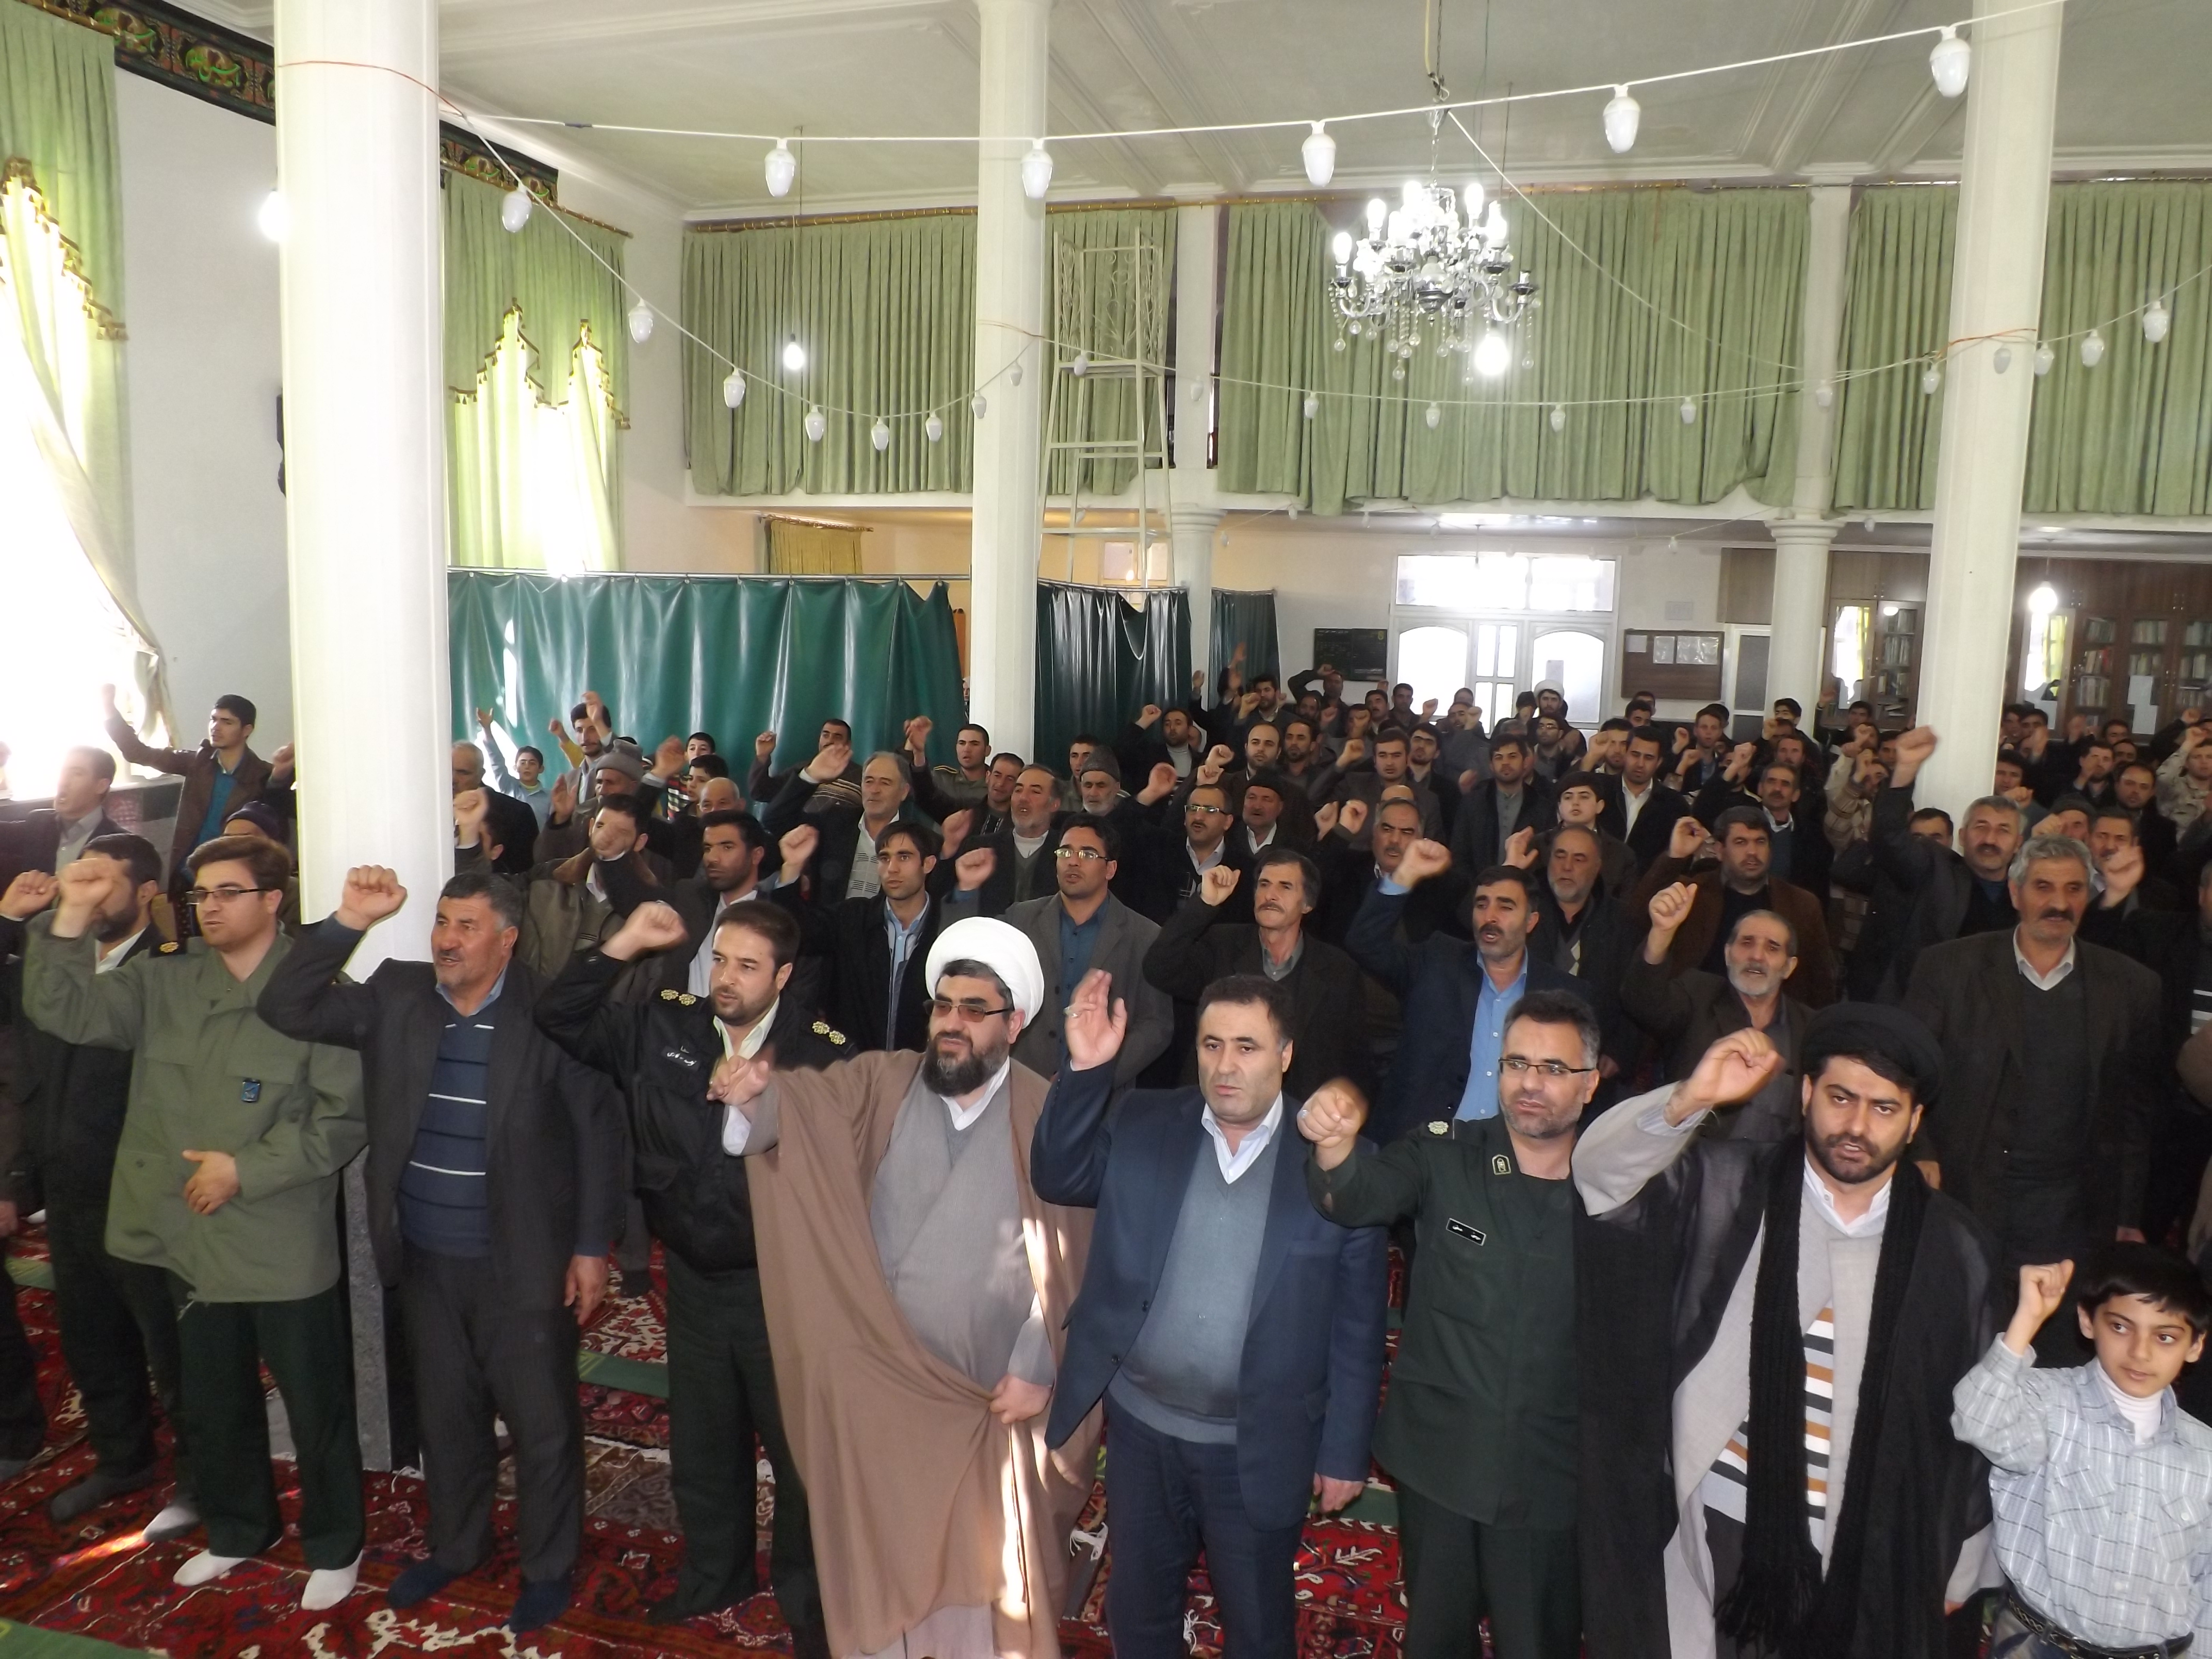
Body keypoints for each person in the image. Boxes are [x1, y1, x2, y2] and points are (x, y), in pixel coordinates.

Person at [704, 917, 1101, 1659]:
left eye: (974, 1010)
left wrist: (1039, 1363)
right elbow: (800, 1110)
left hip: (989, 1400)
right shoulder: (882, 1082)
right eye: (943, 1006)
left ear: (1014, 1024)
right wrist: (756, 1094)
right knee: (882, 1557)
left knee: (982, 1575)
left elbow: (1075, 1254)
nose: (952, 1024)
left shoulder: (1046, 1113)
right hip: (885, 1385)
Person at [255, 865, 627, 1633]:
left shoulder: (550, 1014)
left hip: (522, 1261)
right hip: (424, 1257)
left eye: (467, 926)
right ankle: (458, 1546)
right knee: (447, 1417)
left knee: (542, 1426)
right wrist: (348, 921)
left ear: (508, 940)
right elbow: (285, 1005)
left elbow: (599, 1133)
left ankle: (547, 1566)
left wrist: (592, 1246)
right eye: (441, 922)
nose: (447, 940)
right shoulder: (398, 994)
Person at [1573, 1013, 2002, 1659]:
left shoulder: (1951, 1246)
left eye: (1884, 1108)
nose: (1856, 1126)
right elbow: (1600, 1179)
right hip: (1722, 1520)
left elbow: (1969, 1420)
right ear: (1806, 1095)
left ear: (1914, 1122)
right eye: (1840, 1097)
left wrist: (1963, 1562)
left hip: (1866, 1545)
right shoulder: (1732, 1186)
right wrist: (1689, 1098)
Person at [22, 835, 367, 1607]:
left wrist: (246, 1170)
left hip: (276, 1231)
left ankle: (335, 1542)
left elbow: (342, 1118)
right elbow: (63, 1010)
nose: (209, 907)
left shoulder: (320, 993)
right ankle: (240, 1528)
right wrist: (71, 914)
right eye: (201, 894)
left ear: (273, 900)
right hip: (185, 1235)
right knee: (213, 1398)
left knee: (316, 1404)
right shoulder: (164, 981)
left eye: (228, 892)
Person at [1033, 970, 1387, 1659]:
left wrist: (1344, 1450)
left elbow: (1358, 1321)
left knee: (1257, 1623)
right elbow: (1058, 1174)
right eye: (1212, 1044)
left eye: (1247, 1047)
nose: (1226, 1066)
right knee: (1139, 1611)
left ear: (1286, 1054)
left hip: (1257, 1442)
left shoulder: (1340, 1162)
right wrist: (1087, 1069)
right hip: (1141, 1432)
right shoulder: (1144, 1122)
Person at [534, 897, 841, 1642]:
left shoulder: (821, 1054)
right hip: (691, 1277)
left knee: (801, 1453)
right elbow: (560, 1017)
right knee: (705, 1443)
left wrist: (774, 1098)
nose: (726, 979)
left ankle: (809, 1602)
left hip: (780, 1287)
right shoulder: (665, 1024)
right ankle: (716, 1573)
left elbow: (846, 1165)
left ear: (784, 976)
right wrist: (626, 942)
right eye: (719, 961)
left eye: (747, 966)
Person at [1300, 990, 1601, 1659]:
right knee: (1436, 1641)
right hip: (1442, 1459)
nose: (1530, 1082)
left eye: (1553, 1068)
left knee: (1538, 1643)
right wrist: (1335, 1148)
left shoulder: (1618, 1188)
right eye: (1517, 1063)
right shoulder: (1446, 1153)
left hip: (1550, 1474)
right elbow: (1357, 1196)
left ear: (1590, 1083)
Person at [1904, 834, 2162, 1357]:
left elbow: (2136, 1109)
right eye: (2043, 887)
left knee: (2054, 1351)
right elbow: (1906, 1073)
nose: (2058, 903)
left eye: (2073, 889)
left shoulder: (2131, 987)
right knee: (1954, 1336)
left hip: (2069, 1208)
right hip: (1964, 1190)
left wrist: (2127, 1212)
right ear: (2015, 892)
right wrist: (1920, 1151)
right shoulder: (1949, 969)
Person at [0, 839, 192, 1535]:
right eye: (76, 876)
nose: (83, 890)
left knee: (171, 1346)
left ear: (145, 892)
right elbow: (24, 1061)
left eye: (101, 880)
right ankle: (123, 1458)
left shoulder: (170, 968)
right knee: (92, 1339)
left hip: (143, 1192)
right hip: (69, 1187)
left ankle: (202, 1478)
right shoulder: (58, 957)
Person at [1951, 1248, 2212, 1657]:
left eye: (2165, 1337)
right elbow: (1977, 1419)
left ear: (2196, 1345)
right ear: (2088, 1321)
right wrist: (2026, 1321)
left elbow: (2207, 1577)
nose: (2140, 1352)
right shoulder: (2045, 1402)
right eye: (2121, 1327)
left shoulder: (2204, 1451)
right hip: (2040, 1644)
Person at [1347, 845, 1594, 1144]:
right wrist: (1405, 875)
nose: (1490, 917)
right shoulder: (1437, 960)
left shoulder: (1563, 994)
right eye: (1481, 905)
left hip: (1508, 1154)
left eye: (1505, 907)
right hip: (1418, 1145)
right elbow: (1365, 943)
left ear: (1531, 921)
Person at [1141, 851, 1373, 1098]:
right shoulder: (1222, 945)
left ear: (1308, 904)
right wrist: (1205, 903)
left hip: (1297, 1111)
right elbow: (1159, 968)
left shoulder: (1339, 971)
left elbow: (1355, 1060)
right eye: (1264, 884)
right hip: (1216, 1099)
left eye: (1285, 887)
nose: (1270, 895)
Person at [1625, 886, 1809, 1142]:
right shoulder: (1698, 993)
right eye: (1747, 943)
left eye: (1772, 948)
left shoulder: (1808, 1027)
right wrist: (1662, 933)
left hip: (1775, 1162)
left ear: (1789, 967)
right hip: (1690, 1157)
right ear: (1727, 954)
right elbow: (1643, 1002)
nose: (1757, 956)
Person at [997, 818, 1172, 1082]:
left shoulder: (1144, 935)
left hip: (1103, 1091)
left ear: (1110, 869)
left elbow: (1156, 1025)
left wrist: (1096, 1075)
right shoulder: (1020, 919)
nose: (1073, 862)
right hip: (1022, 1082)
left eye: (1087, 854)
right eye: (1065, 852)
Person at [1865, 729, 2028, 999]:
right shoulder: (1935, 869)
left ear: (2018, 843)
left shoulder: (2028, 892)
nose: (1990, 839)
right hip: (1931, 1004)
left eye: (2003, 830)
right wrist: (1905, 770)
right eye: (1981, 827)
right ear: (1962, 837)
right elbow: (1888, 839)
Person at [1630, 807, 1837, 1007]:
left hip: (1772, 1020)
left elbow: (1820, 980)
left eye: (1760, 842)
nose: (1752, 852)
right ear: (1720, 851)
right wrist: (1675, 856)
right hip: (1695, 1014)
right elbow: (1637, 916)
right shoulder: (1692, 893)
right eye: (1741, 842)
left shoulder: (1802, 905)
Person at [788, 819, 950, 1054]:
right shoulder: (852, 917)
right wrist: (792, 867)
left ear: (928, 864)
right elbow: (794, 931)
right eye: (884, 858)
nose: (892, 868)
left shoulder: (946, 925)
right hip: (855, 1065)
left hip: (924, 1066)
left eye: (904, 857)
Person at [100, 684, 274, 888]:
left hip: (231, 873)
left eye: (227, 722)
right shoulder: (198, 763)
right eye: (214, 719)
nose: (216, 727)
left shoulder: (262, 774)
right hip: (186, 870)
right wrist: (110, 711)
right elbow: (139, 753)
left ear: (247, 730)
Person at [0, 745, 123, 881]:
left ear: (101, 786)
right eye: (63, 773)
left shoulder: (119, 844)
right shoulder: (39, 822)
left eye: (76, 774)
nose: (63, 782)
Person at [1452, 732, 1557, 871]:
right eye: (1499, 757)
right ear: (1491, 765)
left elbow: (1546, 857)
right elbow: (1459, 854)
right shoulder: (1472, 803)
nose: (1505, 762)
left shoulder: (1543, 807)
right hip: (1478, 882)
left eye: (1512, 756)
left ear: (1525, 762)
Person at [1599, 727, 1692, 870]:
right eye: (1635, 755)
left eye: (1649, 758)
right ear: (1626, 754)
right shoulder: (1601, 789)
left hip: (1648, 880)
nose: (1640, 764)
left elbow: (1678, 856)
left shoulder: (1674, 804)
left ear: (1659, 762)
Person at [452, 740, 538, 877]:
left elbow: (524, 876)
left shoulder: (517, 814)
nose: (453, 779)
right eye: (448, 770)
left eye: (463, 773)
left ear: (480, 775)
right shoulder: (424, 811)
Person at [473, 708, 552, 827]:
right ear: (516, 767)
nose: (527, 767)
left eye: (532, 763)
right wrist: (487, 729)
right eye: (523, 763)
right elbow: (497, 761)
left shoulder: (550, 797)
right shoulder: (508, 786)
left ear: (541, 769)